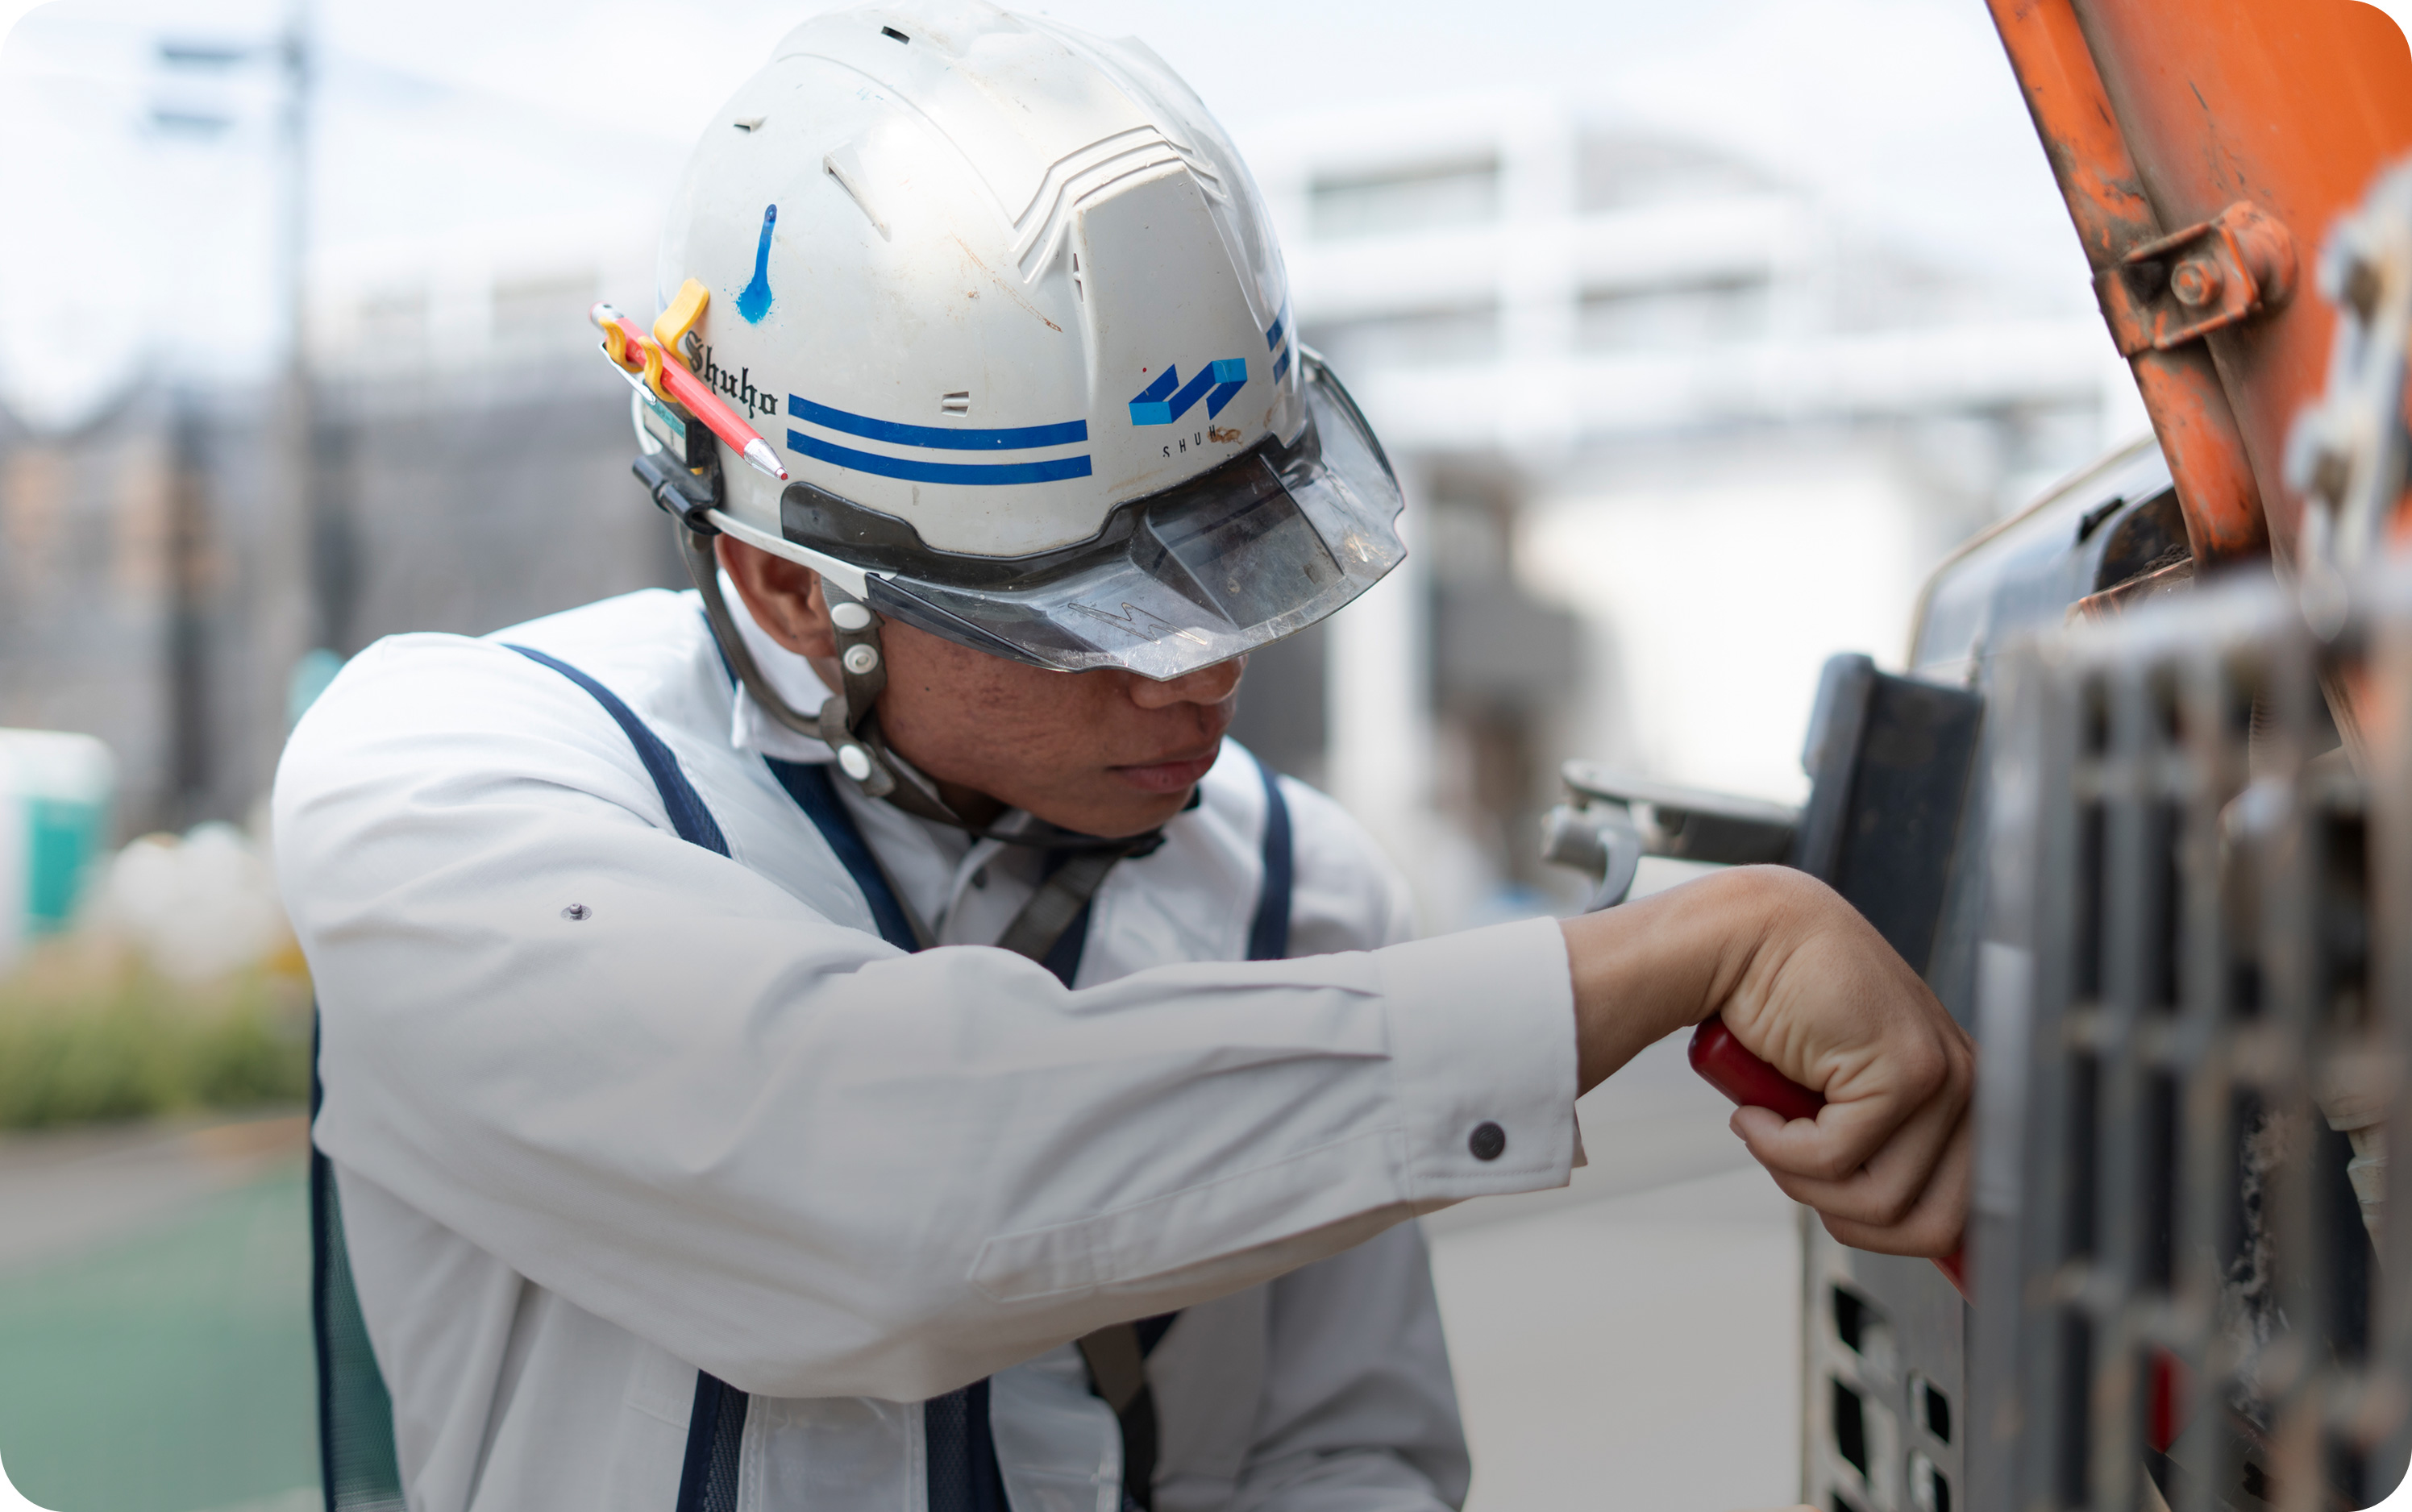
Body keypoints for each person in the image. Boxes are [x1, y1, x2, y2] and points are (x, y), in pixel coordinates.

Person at [272, 5, 1973, 1510]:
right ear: (791, 577)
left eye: (1233, 566)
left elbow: (1351, 1449)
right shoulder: (446, 787)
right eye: (1085, 619)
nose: (1200, 673)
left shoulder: (1300, 886)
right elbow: (895, 1191)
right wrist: (1673, 956)